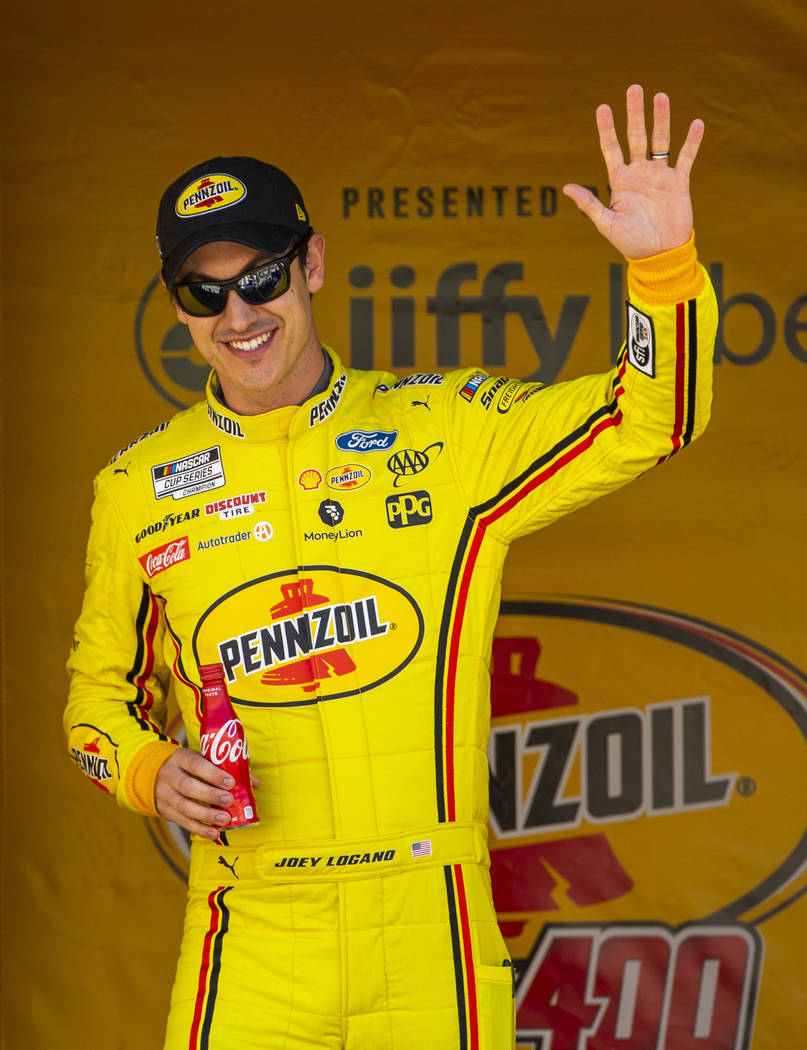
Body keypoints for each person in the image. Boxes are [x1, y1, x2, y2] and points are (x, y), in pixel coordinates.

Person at [65, 85, 717, 1050]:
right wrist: (146, 769)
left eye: (262, 276)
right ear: (179, 306)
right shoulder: (137, 488)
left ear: (313, 263)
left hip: (430, 924)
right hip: (250, 929)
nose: (238, 312)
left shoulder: (445, 429)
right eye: (205, 292)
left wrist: (661, 269)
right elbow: (92, 709)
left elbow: (649, 419)